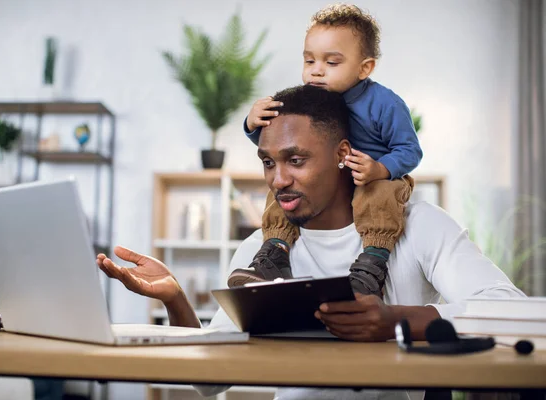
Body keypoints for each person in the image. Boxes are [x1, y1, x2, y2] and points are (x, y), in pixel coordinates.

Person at [98, 85, 524, 400]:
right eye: (268, 162)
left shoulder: (417, 225)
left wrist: (397, 320)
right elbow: (210, 382)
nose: (277, 180)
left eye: (295, 160)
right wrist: (175, 299)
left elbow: (510, 309)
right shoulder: (263, 250)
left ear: (343, 154)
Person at [229, 4, 423, 298]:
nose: (316, 71)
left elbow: (410, 150)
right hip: (332, 179)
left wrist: (380, 169)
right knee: (281, 191)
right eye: (309, 61)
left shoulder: (385, 104)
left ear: (364, 68)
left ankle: (371, 265)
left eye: (332, 63)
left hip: (375, 178)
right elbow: (284, 147)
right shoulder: (308, 101)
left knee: (379, 198)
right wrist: (251, 123)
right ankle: (274, 254)